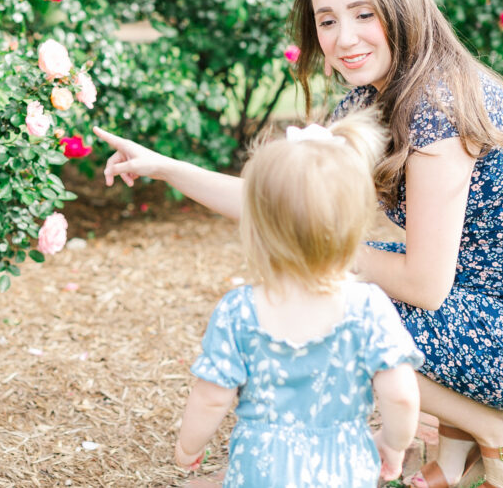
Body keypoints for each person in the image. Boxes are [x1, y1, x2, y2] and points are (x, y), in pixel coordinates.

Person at [94, 0, 503, 488]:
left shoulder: (438, 104)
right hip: (499, 297)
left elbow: (423, 285)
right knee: (340, 278)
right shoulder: (367, 100)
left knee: (325, 297)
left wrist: (326, 255)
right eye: (327, 21)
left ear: (400, 11)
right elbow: (285, 202)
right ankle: (459, 450)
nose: (343, 38)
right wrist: (166, 168)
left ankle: (499, 431)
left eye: (363, 14)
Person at [172, 112, 423, 486]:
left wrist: (187, 449)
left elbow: (211, 397)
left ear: (255, 228)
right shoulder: (368, 307)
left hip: (261, 469)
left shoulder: (239, 311)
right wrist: (393, 444)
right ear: (354, 228)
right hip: (345, 467)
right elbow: (401, 395)